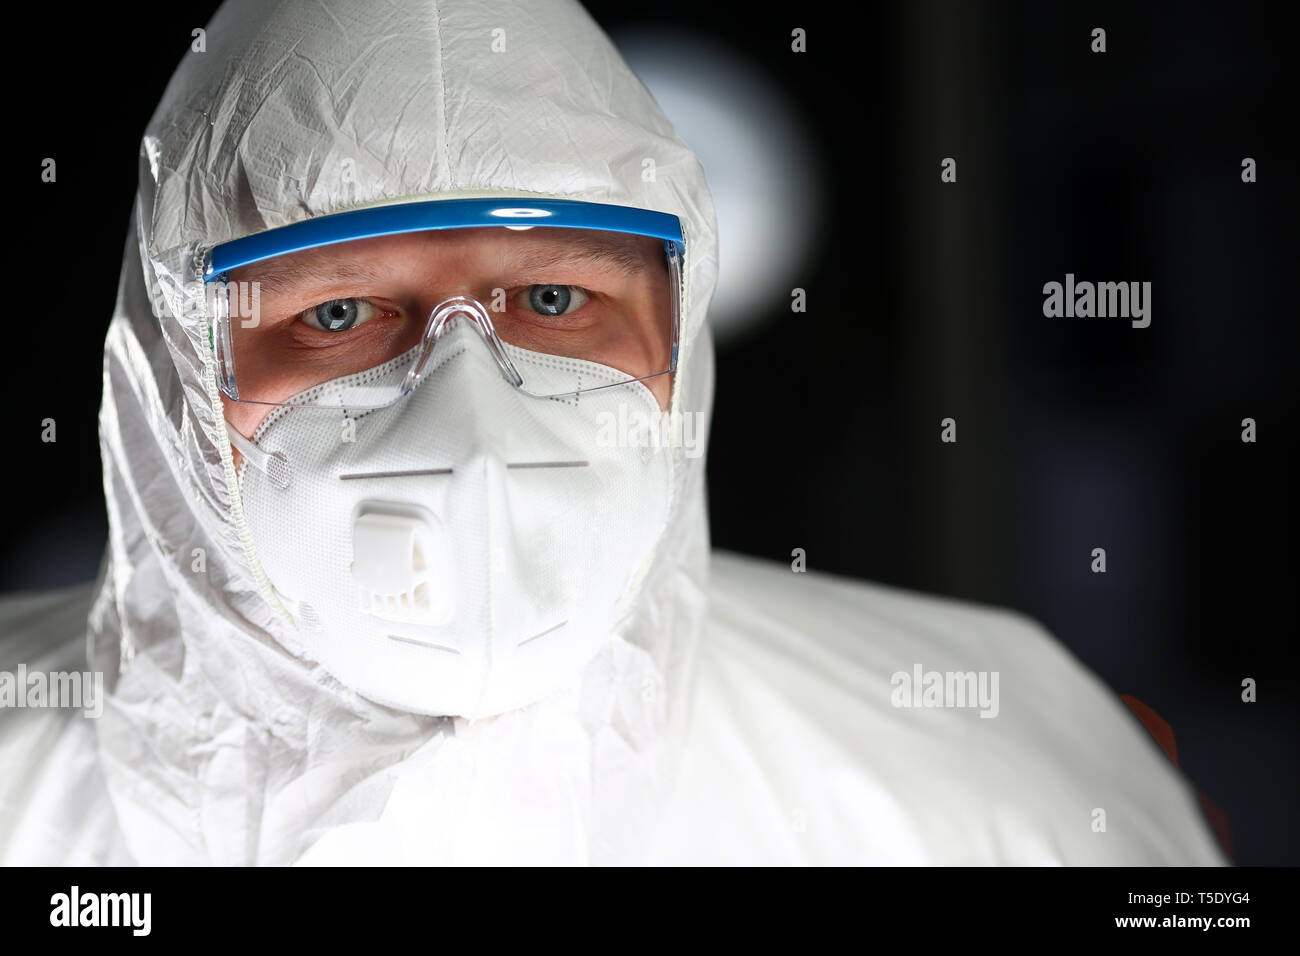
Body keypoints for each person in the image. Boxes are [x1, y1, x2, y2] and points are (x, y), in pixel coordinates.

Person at [0, 0, 1228, 865]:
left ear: (678, 339)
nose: (472, 430)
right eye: (338, 312)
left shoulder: (997, 768)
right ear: (173, 373)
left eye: (551, 300)